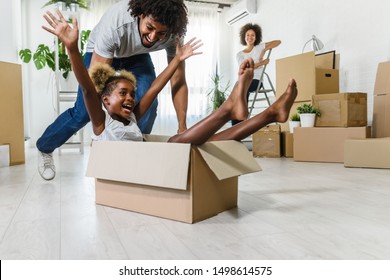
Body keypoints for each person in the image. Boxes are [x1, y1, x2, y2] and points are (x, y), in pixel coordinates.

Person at [42, 10, 297, 156]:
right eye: (123, 93)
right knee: (80, 113)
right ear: (105, 100)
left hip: (145, 158)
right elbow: (88, 87)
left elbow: (155, 87)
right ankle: (229, 107)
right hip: (101, 51)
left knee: (203, 144)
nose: (131, 98)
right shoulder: (101, 122)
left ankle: (270, 114)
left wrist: (177, 60)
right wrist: (73, 49)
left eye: (131, 93)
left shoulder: (132, 116)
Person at [37, 0, 189, 180]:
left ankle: (133, 153)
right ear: (140, 15)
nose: (153, 37)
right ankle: (45, 147)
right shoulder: (117, 23)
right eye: (149, 27)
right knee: (84, 111)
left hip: (136, 55)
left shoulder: (174, 34)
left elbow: (177, 81)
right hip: (103, 50)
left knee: (149, 106)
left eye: (161, 33)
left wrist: (182, 127)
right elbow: (90, 89)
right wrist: (104, 126)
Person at [232, 23, 281, 125]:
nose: (250, 37)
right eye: (248, 35)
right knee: (237, 91)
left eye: (252, 35)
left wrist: (264, 49)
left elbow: (278, 42)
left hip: (256, 80)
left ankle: (241, 119)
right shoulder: (239, 55)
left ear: (256, 37)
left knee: (242, 89)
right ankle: (236, 123)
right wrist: (262, 62)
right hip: (244, 80)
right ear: (244, 37)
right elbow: (246, 67)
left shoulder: (259, 47)